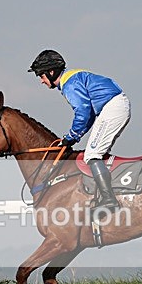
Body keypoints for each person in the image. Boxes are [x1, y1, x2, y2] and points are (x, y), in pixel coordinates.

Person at [28, 49, 131, 212]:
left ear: (51, 72)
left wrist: (71, 136)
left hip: (112, 107)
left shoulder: (69, 84)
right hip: (114, 106)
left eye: (41, 75)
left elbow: (83, 112)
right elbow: (88, 116)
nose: (41, 81)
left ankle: (109, 199)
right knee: (97, 153)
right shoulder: (71, 79)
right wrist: (73, 138)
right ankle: (106, 193)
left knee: (92, 155)